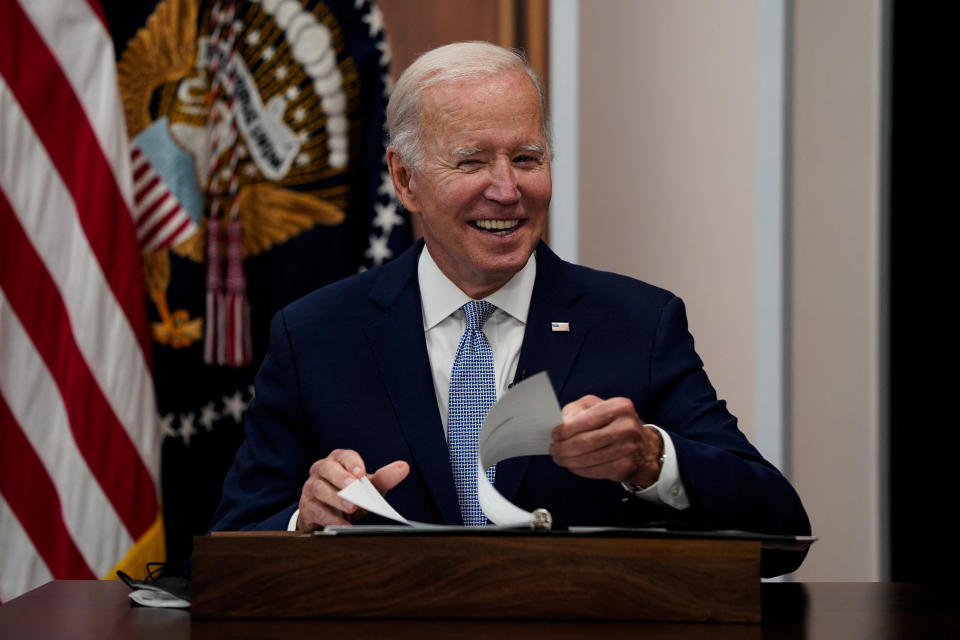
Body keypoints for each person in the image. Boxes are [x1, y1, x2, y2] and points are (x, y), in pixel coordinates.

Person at [210, 41, 810, 575]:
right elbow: (223, 552)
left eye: (526, 158)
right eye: (471, 161)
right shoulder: (315, 334)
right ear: (405, 178)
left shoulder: (637, 323)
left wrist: (652, 459)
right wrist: (303, 523)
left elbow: (783, 533)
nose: (507, 189)